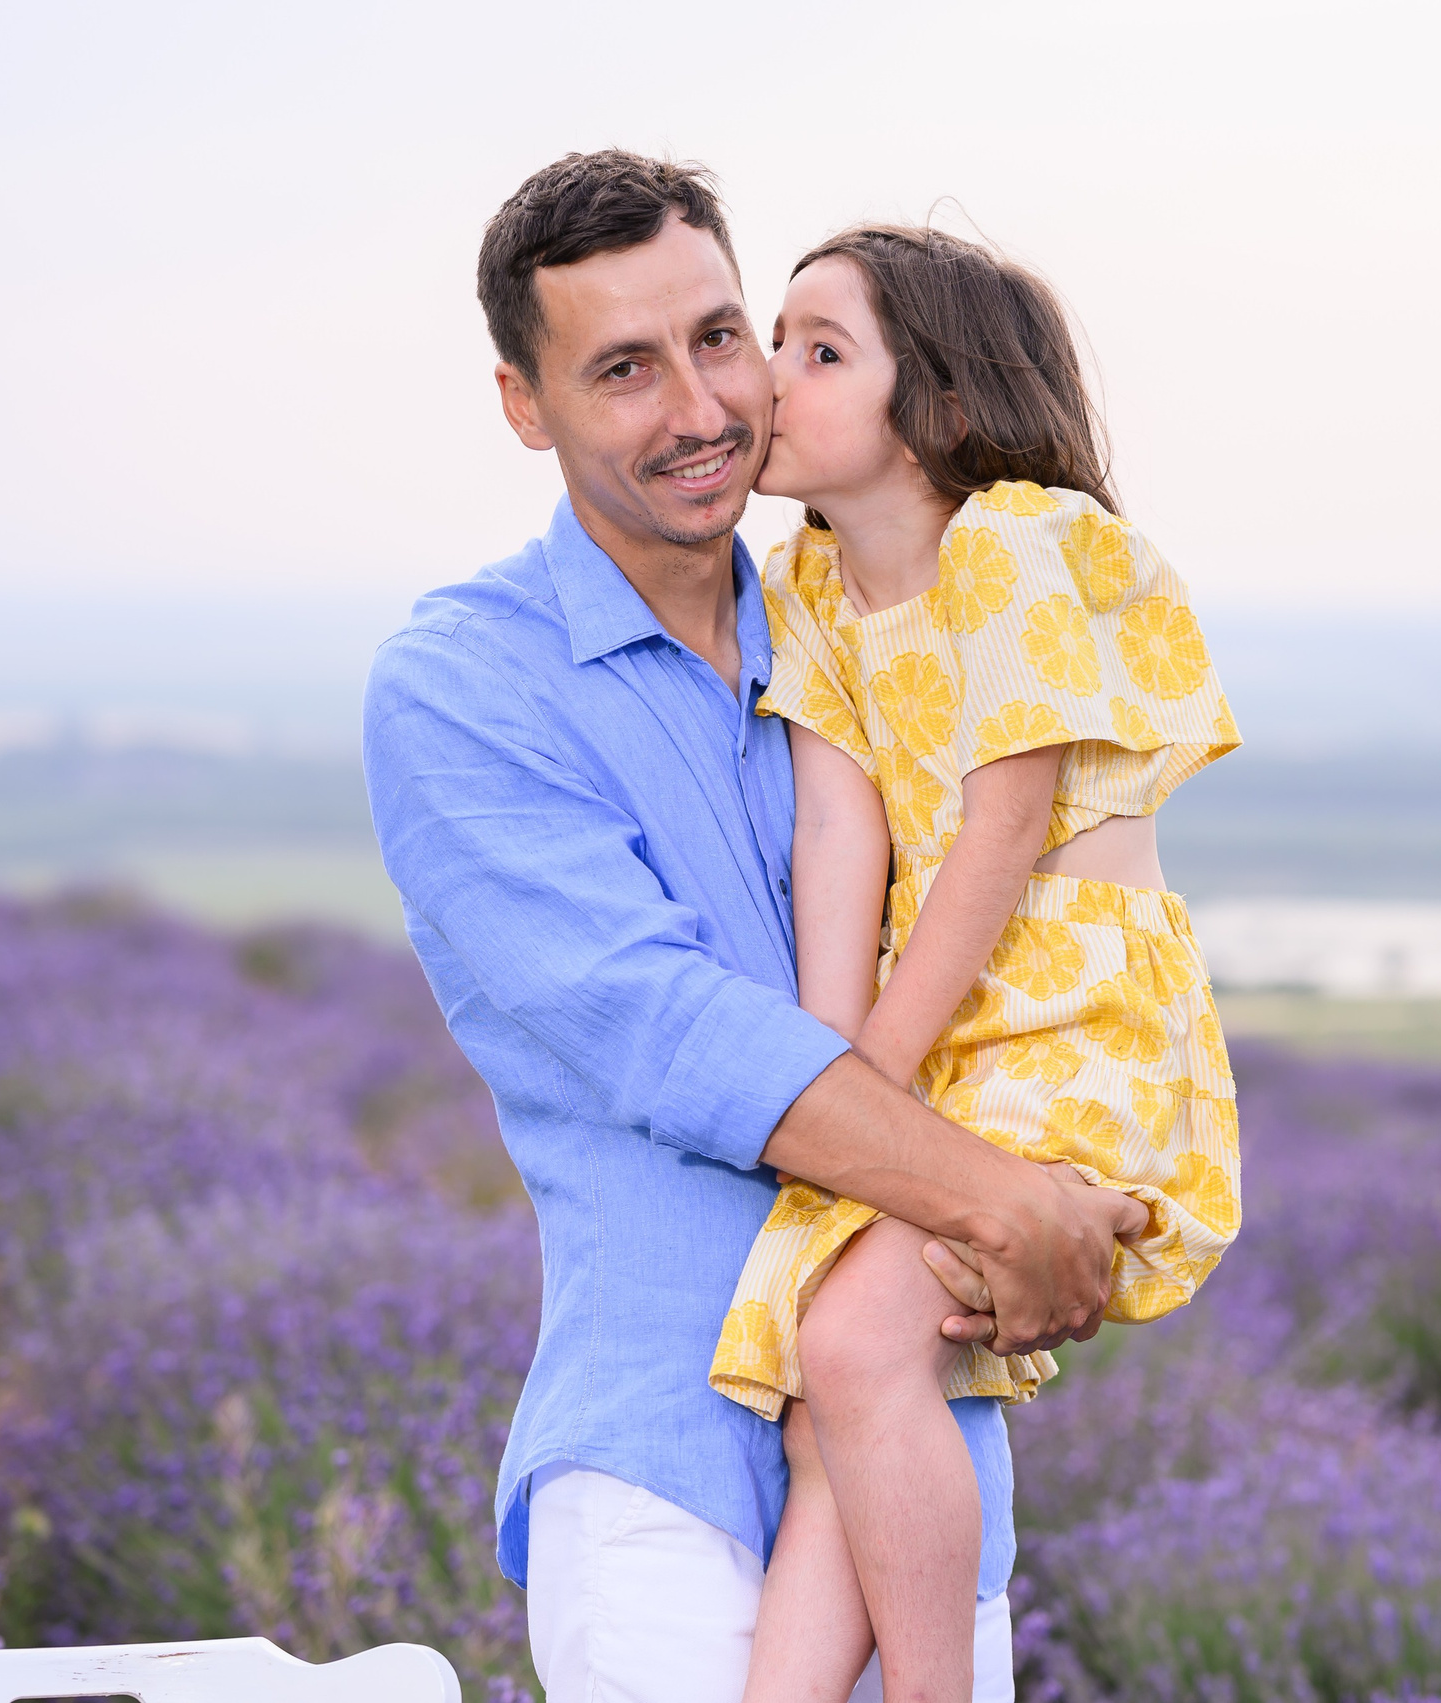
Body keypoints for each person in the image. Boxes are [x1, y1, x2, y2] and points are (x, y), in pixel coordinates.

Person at [362, 151, 1141, 1703]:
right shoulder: (465, 685)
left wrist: (1081, 1171)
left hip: (924, 1467)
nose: (703, 406)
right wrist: (1006, 1206)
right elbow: (680, 1038)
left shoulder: (868, 615)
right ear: (526, 403)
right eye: (624, 370)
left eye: (723, 339)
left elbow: (1058, 908)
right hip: (665, 1477)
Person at [709, 226, 1244, 1703]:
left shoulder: (1006, 540)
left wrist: (861, 1079)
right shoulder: (807, 581)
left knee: (861, 1342)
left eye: (822, 351)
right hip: (935, 1031)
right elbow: (838, 830)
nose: (771, 376)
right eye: (780, 336)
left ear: (939, 408)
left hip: (1069, 1017)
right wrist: (833, 1075)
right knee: (830, 1396)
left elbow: (999, 836)